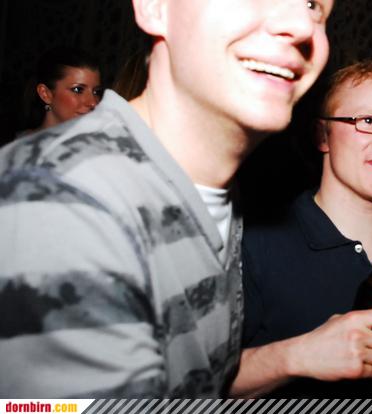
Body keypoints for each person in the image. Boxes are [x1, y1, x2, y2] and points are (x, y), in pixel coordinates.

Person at [0, 0, 333, 398]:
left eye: (313, 5)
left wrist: (296, 356)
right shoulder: (61, 200)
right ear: (154, 8)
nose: (301, 24)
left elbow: (197, 383)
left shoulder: (215, 192)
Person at [231, 61, 372, 398]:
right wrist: (297, 356)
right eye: (369, 121)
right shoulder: (257, 243)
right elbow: (193, 387)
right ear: (323, 136)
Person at [20, 46, 103, 133]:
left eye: (96, 92)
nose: (93, 103)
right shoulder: (23, 141)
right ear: (45, 94)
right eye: (78, 90)